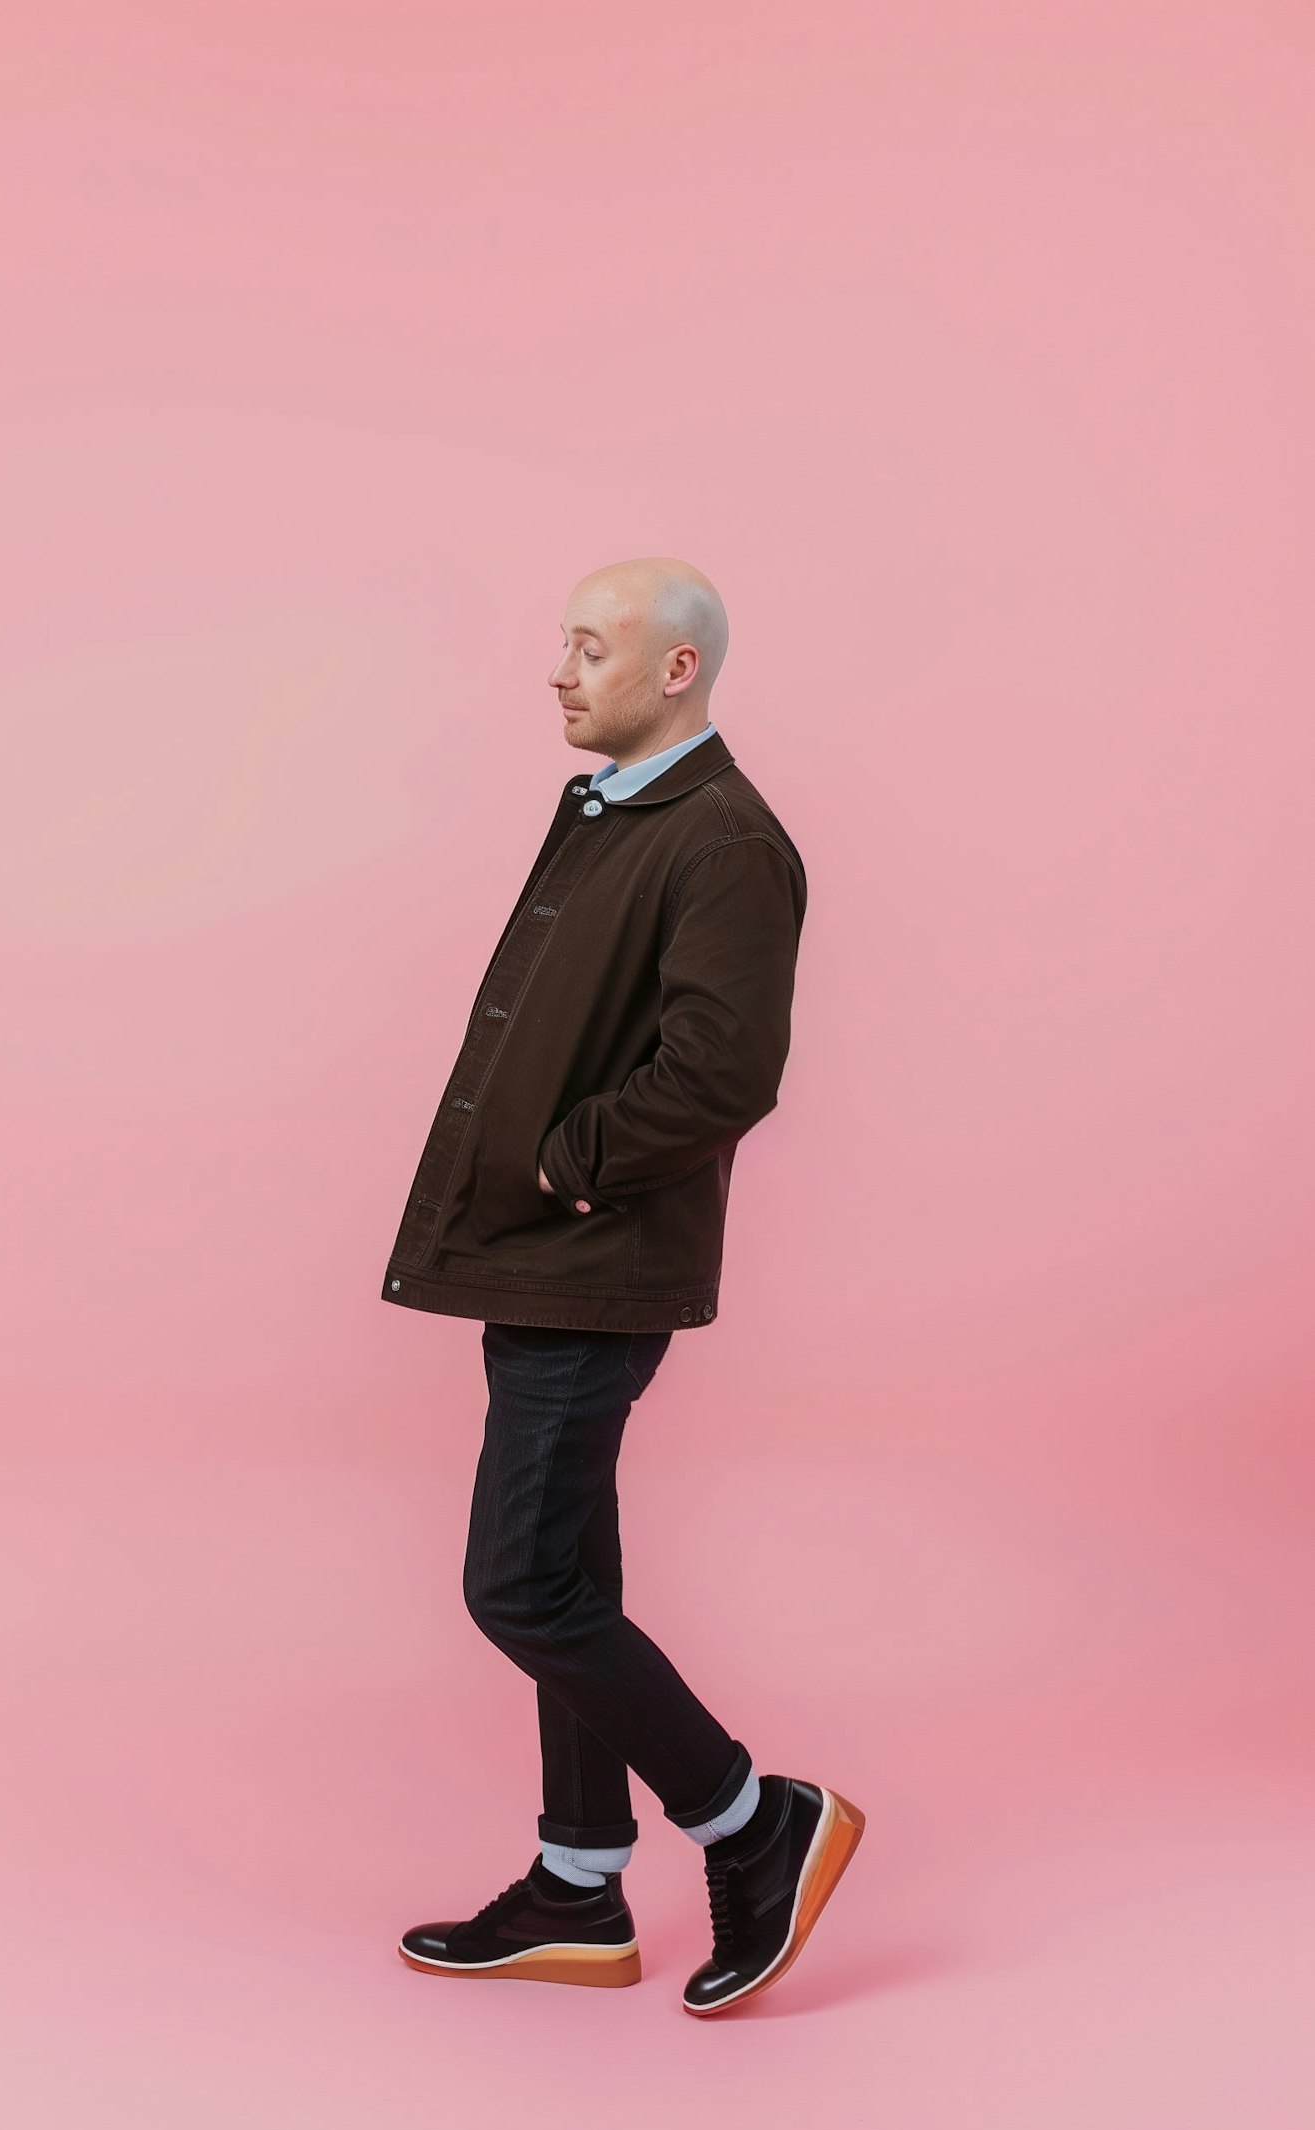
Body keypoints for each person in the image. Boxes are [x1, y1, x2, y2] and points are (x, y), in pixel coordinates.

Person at [381, 556, 864, 2015]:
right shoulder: (617, 808)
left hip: (593, 1253)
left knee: (520, 1586)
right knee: (571, 1575)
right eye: (562, 643)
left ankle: (753, 1819)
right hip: (544, 1252)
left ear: (675, 670)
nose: (560, 668)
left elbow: (723, 1070)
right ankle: (580, 1882)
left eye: (590, 647)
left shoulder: (721, 838)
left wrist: (562, 1163)